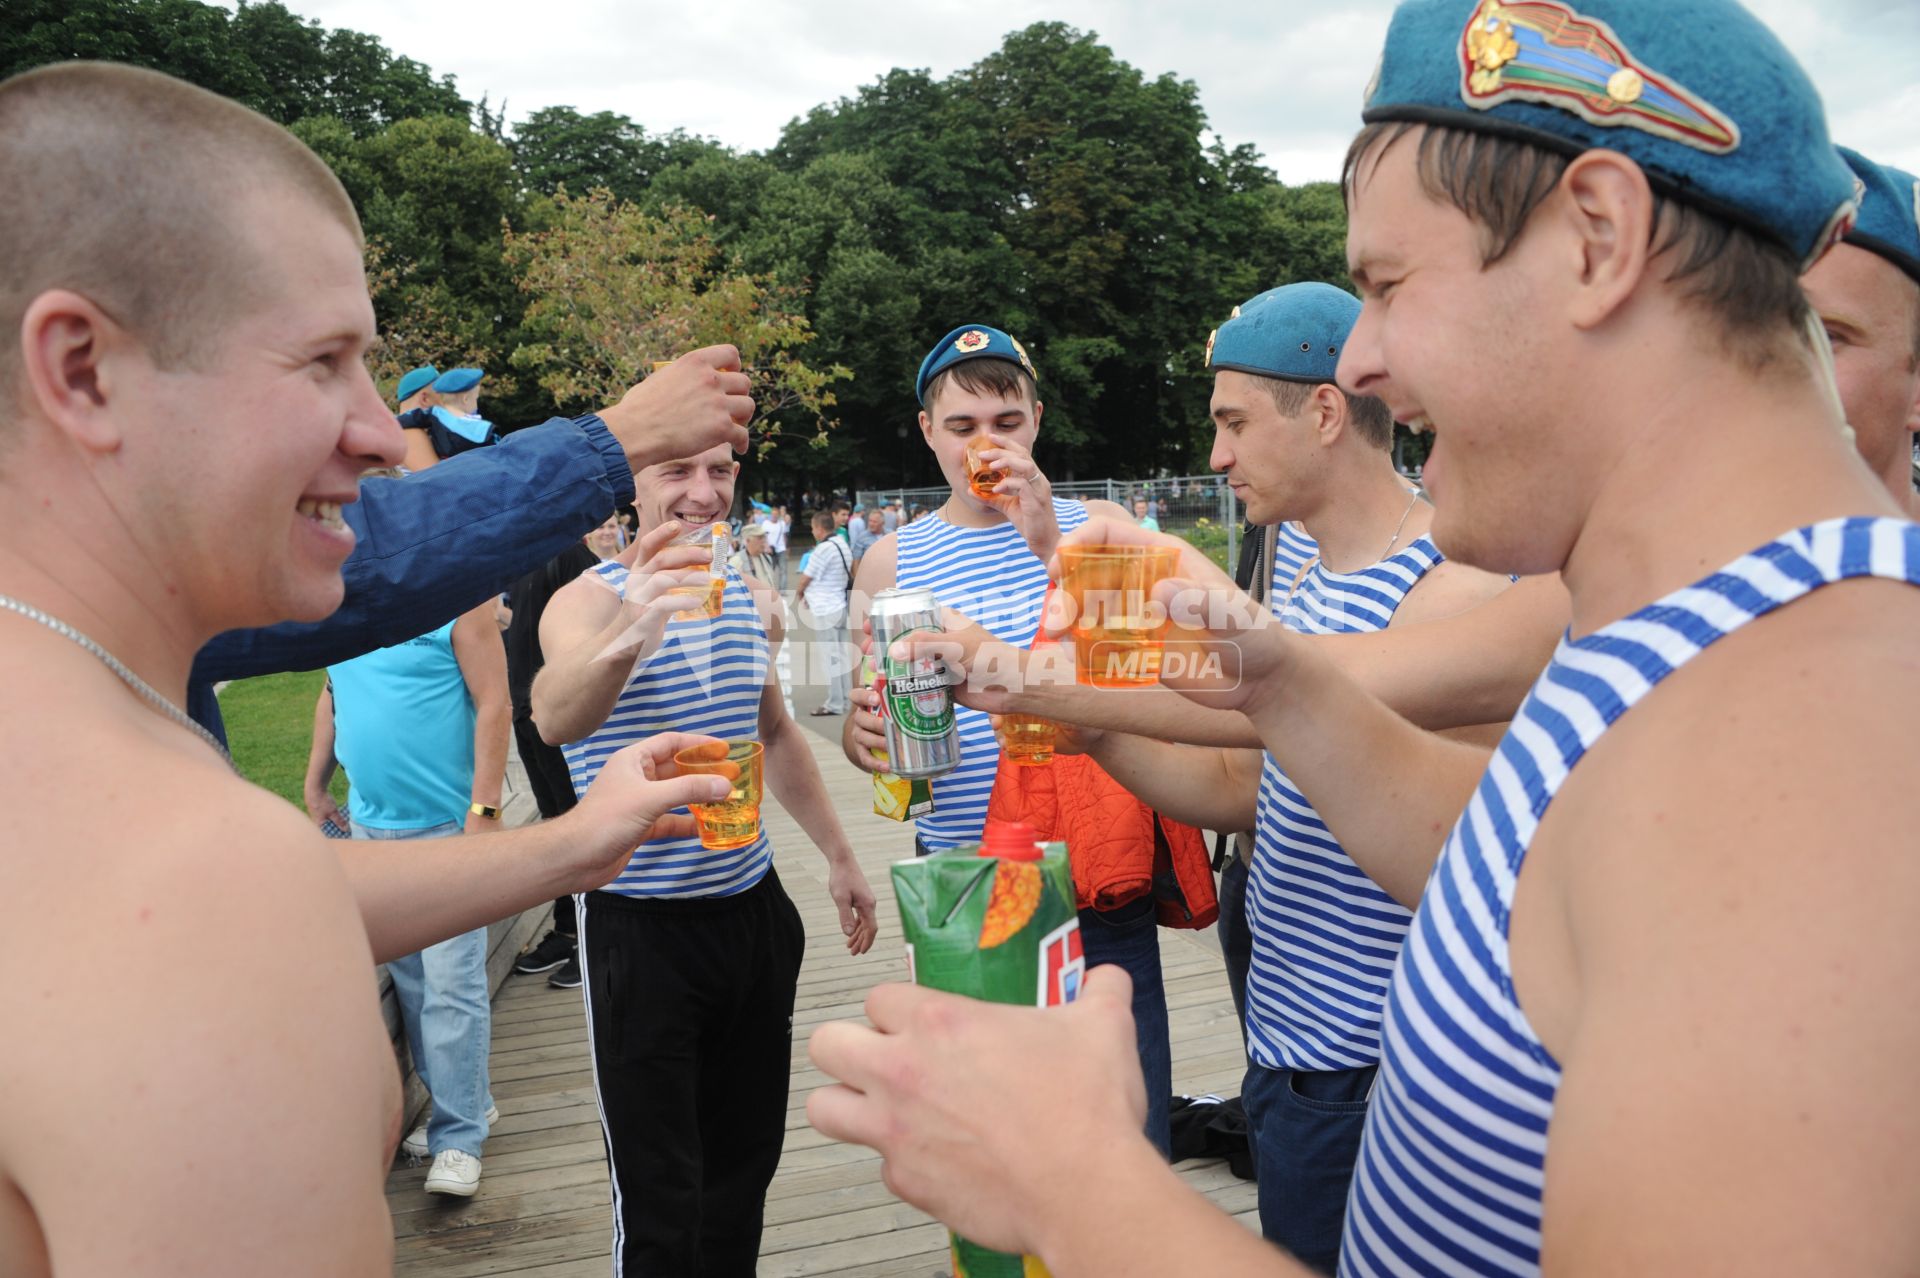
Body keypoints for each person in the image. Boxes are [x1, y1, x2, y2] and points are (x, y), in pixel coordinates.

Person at [808, 2, 1920, 1274]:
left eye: (1388, 286)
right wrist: (1287, 689)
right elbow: (1532, 867)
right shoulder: (1707, 628)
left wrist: (1076, 1189)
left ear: (1599, 241)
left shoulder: (1814, 747)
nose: (1370, 361)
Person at [0, 60, 747, 1272]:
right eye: (322, 362)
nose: (373, 430)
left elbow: (259, 902)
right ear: (83, 370)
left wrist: (573, 844)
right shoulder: (193, 864)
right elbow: (226, 911)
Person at [1074, 283, 1510, 1268]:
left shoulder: (1452, 589)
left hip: (1382, 1068)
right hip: (1287, 1047)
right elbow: (1243, 790)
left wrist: (1064, 693)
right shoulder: (1305, 575)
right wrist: (1091, 738)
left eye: (1233, 422)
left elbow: (1458, 857)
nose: (1217, 455)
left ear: (1322, 412)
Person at [838, 324, 1207, 1157]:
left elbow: (1146, 682)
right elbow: (874, 728)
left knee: (1125, 1128)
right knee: (988, 1138)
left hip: (1091, 868)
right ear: (927, 431)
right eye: (962, 426)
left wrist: (1056, 548)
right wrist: (864, 741)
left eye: (1005, 422)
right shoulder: (887, 565)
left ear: (1036, 419)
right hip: (964, 875)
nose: (986, 443)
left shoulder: (1101, 525)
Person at [531, 447, 879, 1275]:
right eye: (676, 471)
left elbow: (779, 732)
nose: (702, 492)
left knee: (741, 1174)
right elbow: (552, 718)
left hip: (751, 913)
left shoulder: (749, 599)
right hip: (639, 930)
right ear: (632, 487)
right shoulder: (583, 602)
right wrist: (634, 624)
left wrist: (838, 856)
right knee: (658, 1197)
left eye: (719, 471)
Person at [308, 588, 511, 1197]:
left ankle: (459, 1138)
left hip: (448, 826)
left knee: (452, 983)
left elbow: (495, 703)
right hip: (371, 826)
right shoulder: (337, 602)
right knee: (417, 984)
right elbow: (332, 693)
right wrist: (317, 783)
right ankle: (468, 1104)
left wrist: (485, 808)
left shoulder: (457, 596)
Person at [506, 515, 621, 991]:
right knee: (555, 819)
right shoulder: (514, 556)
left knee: (577, 821)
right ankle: (568, 928)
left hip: (556, 714)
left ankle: (595, 937)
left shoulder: (569, 555)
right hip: (524, 711)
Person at [795, 509, 855, 716]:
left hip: (825, 608)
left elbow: (806, 577)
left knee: (831, 659)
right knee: (840, 657)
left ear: (820, 529)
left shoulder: (823, 549)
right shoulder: (842, 544)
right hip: (839, 605)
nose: (812, 532)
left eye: (813, 528)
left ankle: (835, 703)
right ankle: (847, 698)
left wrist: (800, 593)